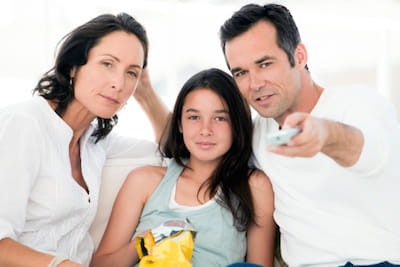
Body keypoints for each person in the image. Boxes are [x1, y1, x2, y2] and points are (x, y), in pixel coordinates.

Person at [219, 3, 400, 267]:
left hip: (376, 261)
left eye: (265, 64)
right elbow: (196, 137)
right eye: (241, 73)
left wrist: (324, 135)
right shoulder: (257, 133)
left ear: (300, 56)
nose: (255, 84)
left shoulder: (360, 103)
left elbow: (368, 152)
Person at [0, 13, 168, 266]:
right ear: (73, 67)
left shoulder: (95, 141)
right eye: (107, 64)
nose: (119, 83)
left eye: (131, 73)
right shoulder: (24, 124)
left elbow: (176, 147)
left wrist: (145, 93)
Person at [90, 68, 276, 267]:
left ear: (237, 124)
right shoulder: (145, 181)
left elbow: (259, 266)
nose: (206, 130)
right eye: (194, 117)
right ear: (179, 124)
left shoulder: (254, 185)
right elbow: (100, 264)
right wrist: (144, 243)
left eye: (220, 118)